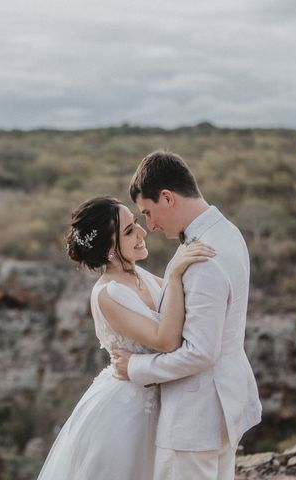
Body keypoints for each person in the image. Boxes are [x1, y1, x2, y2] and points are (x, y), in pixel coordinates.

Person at [36, 196, 215, 480]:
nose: (142, 232)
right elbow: (166, 340)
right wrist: (176, 274)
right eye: (129, 231)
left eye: (136, 224)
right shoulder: (108, 293)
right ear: (108, 249)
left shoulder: (140, 275)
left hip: (162, 400)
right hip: (125, 412)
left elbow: (181, 315)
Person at [111, 151, 262, 480]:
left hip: (194, 421)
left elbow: (200, 353)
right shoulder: (227, 232)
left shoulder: (202, 257)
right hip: (222, 408)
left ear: (167, 197)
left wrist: (134, 367)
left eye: (149, 212)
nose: (149, 225)